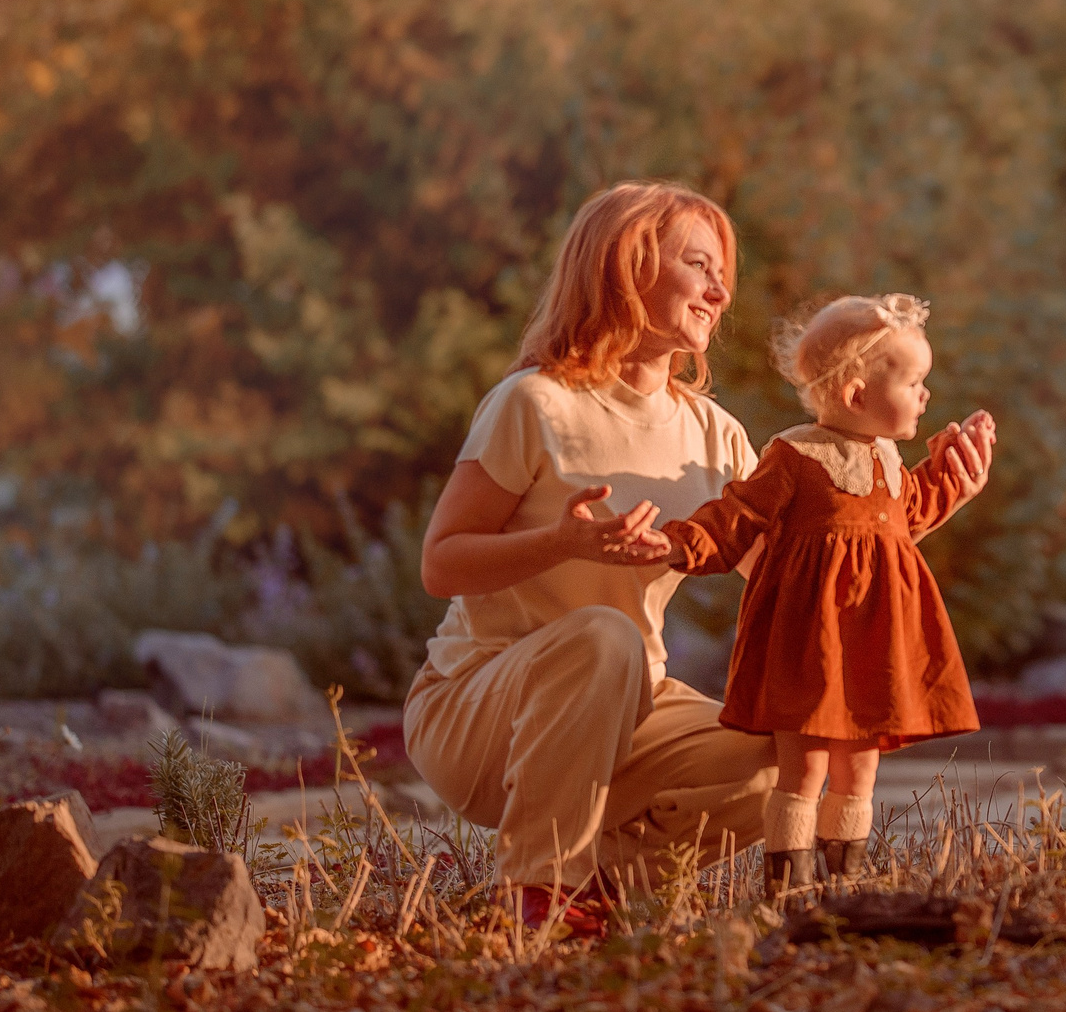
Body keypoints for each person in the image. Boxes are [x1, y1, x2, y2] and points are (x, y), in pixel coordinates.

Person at [402, 183, 989, 934]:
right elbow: (441, 564)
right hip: (476, 709)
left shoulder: (713, 433)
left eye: (724, 274)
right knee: (602, 636)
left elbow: (807, 570)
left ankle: (601, 884)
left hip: (629, 712)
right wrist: (561, 541)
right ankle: (539, 890)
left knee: (780, 758)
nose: (719, 290)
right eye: (698, 264)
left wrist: (930, 507)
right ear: (625, 266)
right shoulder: (535, 403)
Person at [652, 292, 994, 898]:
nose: (925, 395)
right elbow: (734, 519)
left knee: (860, 767)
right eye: (914, 381)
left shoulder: (889, 460)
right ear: (857, 394)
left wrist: (953, 475)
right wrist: (672, 545)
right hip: (809, 645)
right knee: (804, 768)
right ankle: (788, 887)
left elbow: (907, 515)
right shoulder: (794, 455)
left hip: (872, 645)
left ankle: (843, 888)